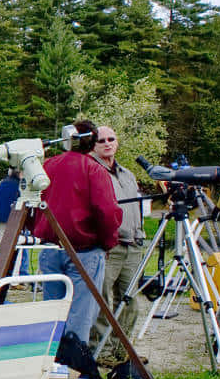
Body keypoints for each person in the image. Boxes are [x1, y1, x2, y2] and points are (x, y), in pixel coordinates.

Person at [34, 120, 122, 342]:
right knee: (80, 317)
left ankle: (49, 362)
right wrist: (108, 242)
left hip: (51, 249)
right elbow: (107, 211)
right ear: (92, 143)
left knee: (51, 314)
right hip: (84, 251)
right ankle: (72, 368)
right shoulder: (93, 170)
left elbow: (33, 205)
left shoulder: (48, 166)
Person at [89, 126, 144, 363]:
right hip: (107, 246)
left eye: (111, 139)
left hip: (133, 245)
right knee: (100, 301)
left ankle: (123, 352)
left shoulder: (128, 174)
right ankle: (100, 352)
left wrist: (140, 233)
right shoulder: (90, 171)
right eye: (101, 140)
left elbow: (136, 207)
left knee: (131, 301)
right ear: (93, 145)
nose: (107, 143)